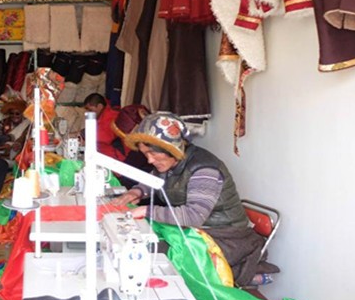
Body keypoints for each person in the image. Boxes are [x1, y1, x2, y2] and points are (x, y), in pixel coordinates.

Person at [112, 112, 266, 286]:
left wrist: (145, 210)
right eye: (145, 154)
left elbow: (193, 216)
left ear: (170, 148)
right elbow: (153, 182)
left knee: (154, 253)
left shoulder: (204, 169)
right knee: (142, 242)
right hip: (200, 231)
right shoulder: (171, 163)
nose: (149, 160)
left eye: (152, 153)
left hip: (226, 237)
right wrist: (136, 192)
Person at [81, 93, 124, 160]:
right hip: (107, 154)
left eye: (90, 110)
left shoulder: (111, 116)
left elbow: (103, 138)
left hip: (116, 158)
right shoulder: (102, 116)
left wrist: (83, 134)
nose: (87, 113)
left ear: (100, 106)